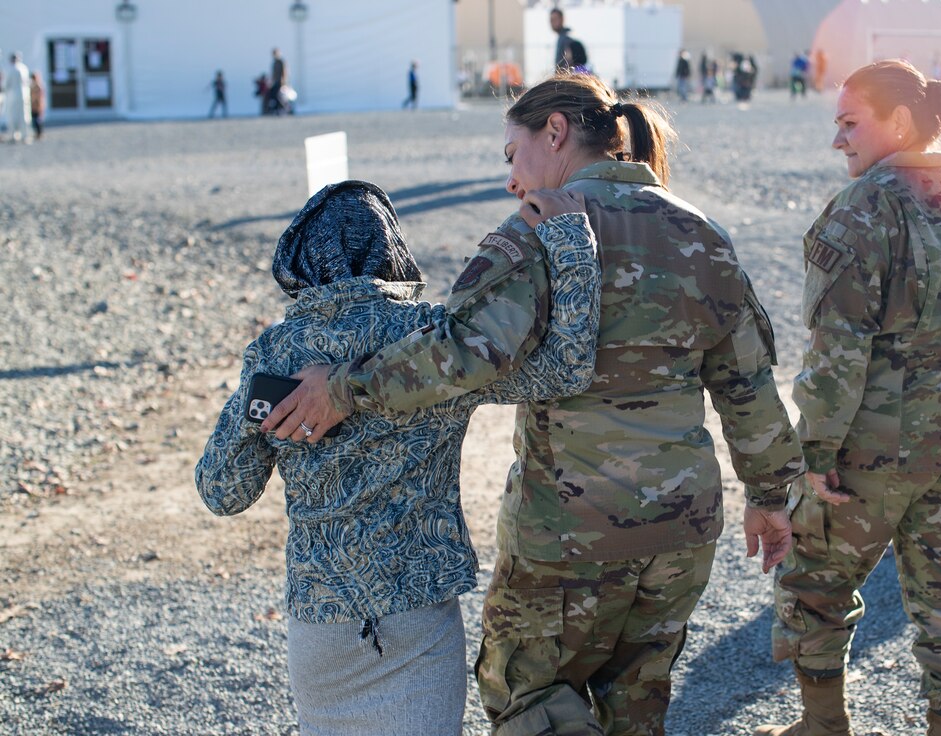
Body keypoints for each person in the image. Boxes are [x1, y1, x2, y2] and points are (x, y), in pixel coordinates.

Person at [261, 71, 804, 735]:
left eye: (512, 155)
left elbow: (457, 352)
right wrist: (773, 496)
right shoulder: (703, 234)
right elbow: (747, 384)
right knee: (638, 706)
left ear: (556, 132)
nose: (512, 180)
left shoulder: (537, 232)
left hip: (568, 531)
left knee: (527, 695)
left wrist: (343, 387)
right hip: (680, 529)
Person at [196, 179, 601, 736]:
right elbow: (565, 368)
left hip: (322, 622)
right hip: (419, 612)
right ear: (392, 250)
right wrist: (571, 242)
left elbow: (222, 493)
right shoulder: (434, 339)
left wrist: (251, 407)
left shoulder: (277, 352)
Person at [757, 59, 941, 736]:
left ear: (899, 121)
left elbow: (837, 351)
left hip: (876, 446)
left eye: (850, 124)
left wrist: (812, 453)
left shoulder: (863, 206)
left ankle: (823, 726)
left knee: (813, 583)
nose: (838, 140)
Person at [4, 52, 30, 143]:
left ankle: (13, 134)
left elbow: (6, 84)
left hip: (12, 95)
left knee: (12, 115)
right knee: (24, 115)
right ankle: (25, 134)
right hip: (24, 94)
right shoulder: (24, 68)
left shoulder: (11, 69)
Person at [267, 48, 288, 114]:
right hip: (275, 82)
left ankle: (284, 108)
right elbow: (273, 74)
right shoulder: (274, 62)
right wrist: (271, 82)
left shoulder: (281, 62)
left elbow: (284, 72)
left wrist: (283, 82)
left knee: (279, 96)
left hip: (281, 82)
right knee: (273, 95)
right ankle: (276, 109)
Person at [29, 71, 44, 140]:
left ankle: (39, 133)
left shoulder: (38, 86)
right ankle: (36, 133)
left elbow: (39, 97)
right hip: (33, 106)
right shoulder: (32, 86)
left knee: (38, 120)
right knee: (34, 120)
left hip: (38, 106)